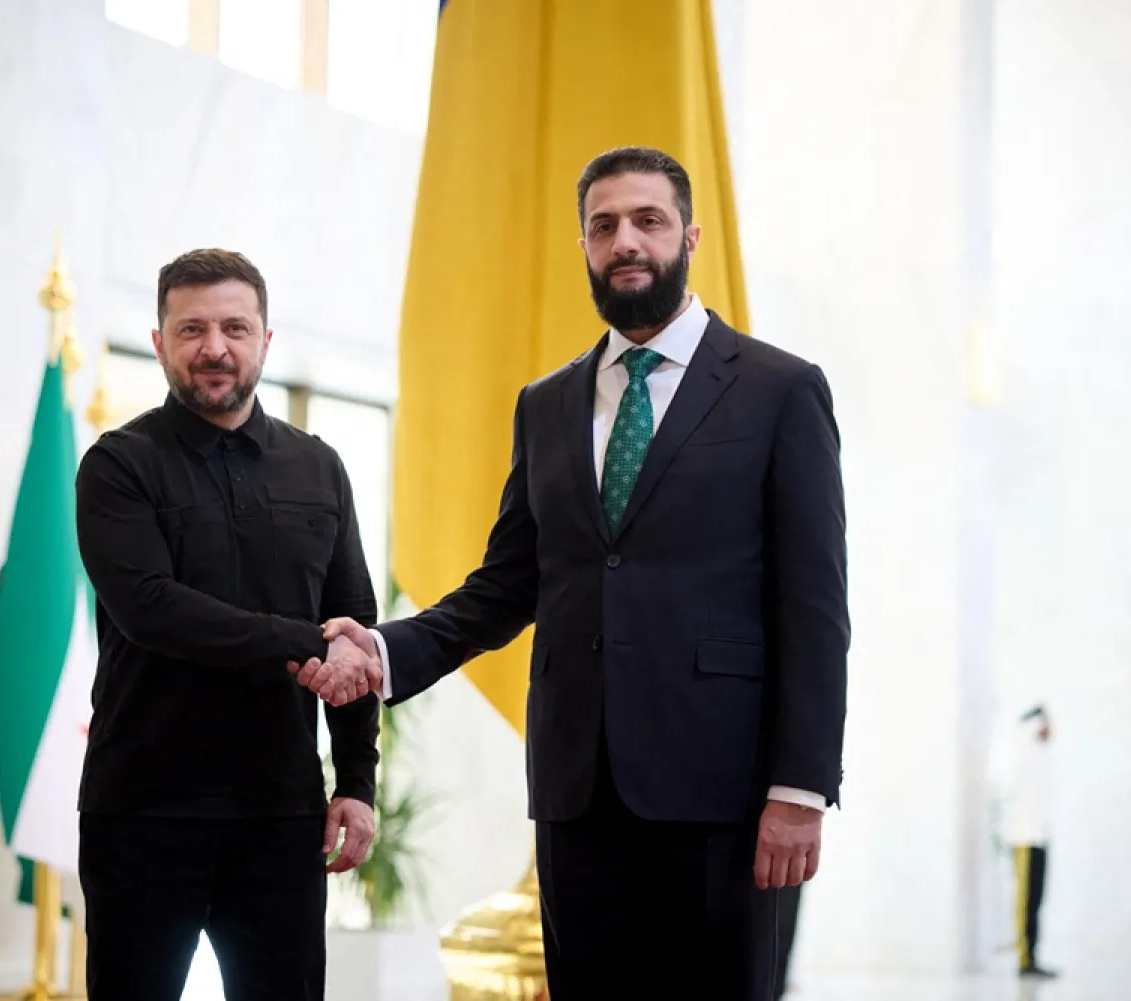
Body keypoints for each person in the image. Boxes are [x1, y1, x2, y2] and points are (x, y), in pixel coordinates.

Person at [291, 146, 850, 999]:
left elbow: (815, 608)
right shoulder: (546, 403)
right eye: (604, 226)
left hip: (726, 801)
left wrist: (800, 787)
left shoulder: (780, 389)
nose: (626, 241)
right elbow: (509, 583)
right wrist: (385, 648)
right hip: (577, 796)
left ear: (688, 237)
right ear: (586, 246)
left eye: (648, 221)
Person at [73, 248, 382, 1001]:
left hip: (281, 818)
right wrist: (307, 642)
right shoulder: (118, 464)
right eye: (193, 329)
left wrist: (358, 780)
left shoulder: (320, 467)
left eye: (235, 327)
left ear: (266, 341)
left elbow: (354, 624)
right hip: (144, 814)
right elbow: (152, 608)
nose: (215, 348)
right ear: (159, 341)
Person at [1003, 705, 1058, 979]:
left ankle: (1033, 955)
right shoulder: (1021, 750)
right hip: (1024, 838)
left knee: (1036, 900)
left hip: (1039, 838)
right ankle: (1024, 958)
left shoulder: (1041, 757)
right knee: (1025, 901)